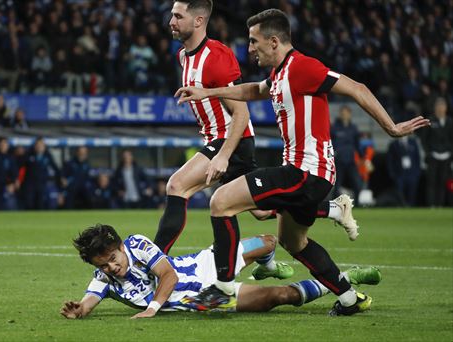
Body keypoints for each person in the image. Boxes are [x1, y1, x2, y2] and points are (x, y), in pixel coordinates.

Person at [175, 8, 429, 315]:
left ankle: (224, 288)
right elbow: (254, 90)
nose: (250, 48)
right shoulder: (279, 74)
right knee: (293, 242)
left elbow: (357, 88)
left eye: (254, 42)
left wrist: (391, 127)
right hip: (306, 174)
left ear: (273, 42)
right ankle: (350, 298)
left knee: (221, 201)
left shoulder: (302, 67)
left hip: (305, 171)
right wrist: (208, 91)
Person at [155, 0, 358, 258]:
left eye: (177, 16)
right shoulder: (183, 56)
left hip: (231, 139)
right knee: (262, 211)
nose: (171, 21)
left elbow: (241, 113)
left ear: (198, 21)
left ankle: (152, 264)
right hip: (217, 139)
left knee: (177, 185)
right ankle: (330, 211)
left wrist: (223, 155)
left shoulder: (216, 57)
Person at [60, 224, 381, 319]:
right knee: (277, 297)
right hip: (205, 297)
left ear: (118, 246)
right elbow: (89, 301)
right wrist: (79, 310)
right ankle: (345, 280)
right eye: (103, 264)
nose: (111, 266)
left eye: (112, 258)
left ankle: (268, 266)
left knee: (269, 241)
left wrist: (152, 309)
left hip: (203, 265)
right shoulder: (104, 278)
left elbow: (168, 276)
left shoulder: (137, 245)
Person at [421, 97, 452, 207]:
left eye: (442, 106)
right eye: (438, 106)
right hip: (433, 155)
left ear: (446, 108)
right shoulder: (430, 120)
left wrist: (450, 153)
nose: (440, 108)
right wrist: (428, 153)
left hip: (446, 156)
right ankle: (431, 205)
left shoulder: (449, 121)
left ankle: (440, 205)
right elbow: (424, 139)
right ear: (435, 108)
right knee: (431, 182)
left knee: (443, 181)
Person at [331, 105, 364, 200]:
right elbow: (329, 143)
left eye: (346, 113)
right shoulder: (334, 128)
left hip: (351, 161)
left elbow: (357, 144)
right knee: (337, 185)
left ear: (350, 114)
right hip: (338, 161)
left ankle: (357, 204)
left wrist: (363, 158)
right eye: (342, 113)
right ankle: (334, 206)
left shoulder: (353, 128)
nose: (344, 115)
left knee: (357, 183)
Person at [20, 138, 62, 210]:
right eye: (38, 145)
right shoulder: (29, 155)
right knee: (29, 203)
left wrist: (62, 177)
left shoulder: (47, 156)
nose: (39, 147)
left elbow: (56, 168)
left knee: (40, 204)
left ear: (44, 146)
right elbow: (19, 166)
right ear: (35, 146)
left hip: (42, 183)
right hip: (30, 184)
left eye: (41, 145)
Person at [386, 135, 421, 206]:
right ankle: (402, 207)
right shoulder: (393, 144)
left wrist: (417, 173)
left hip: (412, 173)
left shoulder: (413, 142)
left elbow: (417, 158)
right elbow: (390, 161)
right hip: (399, 173)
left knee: (411, 192)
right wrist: (392, 174)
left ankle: (411, 207)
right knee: (400, 192)